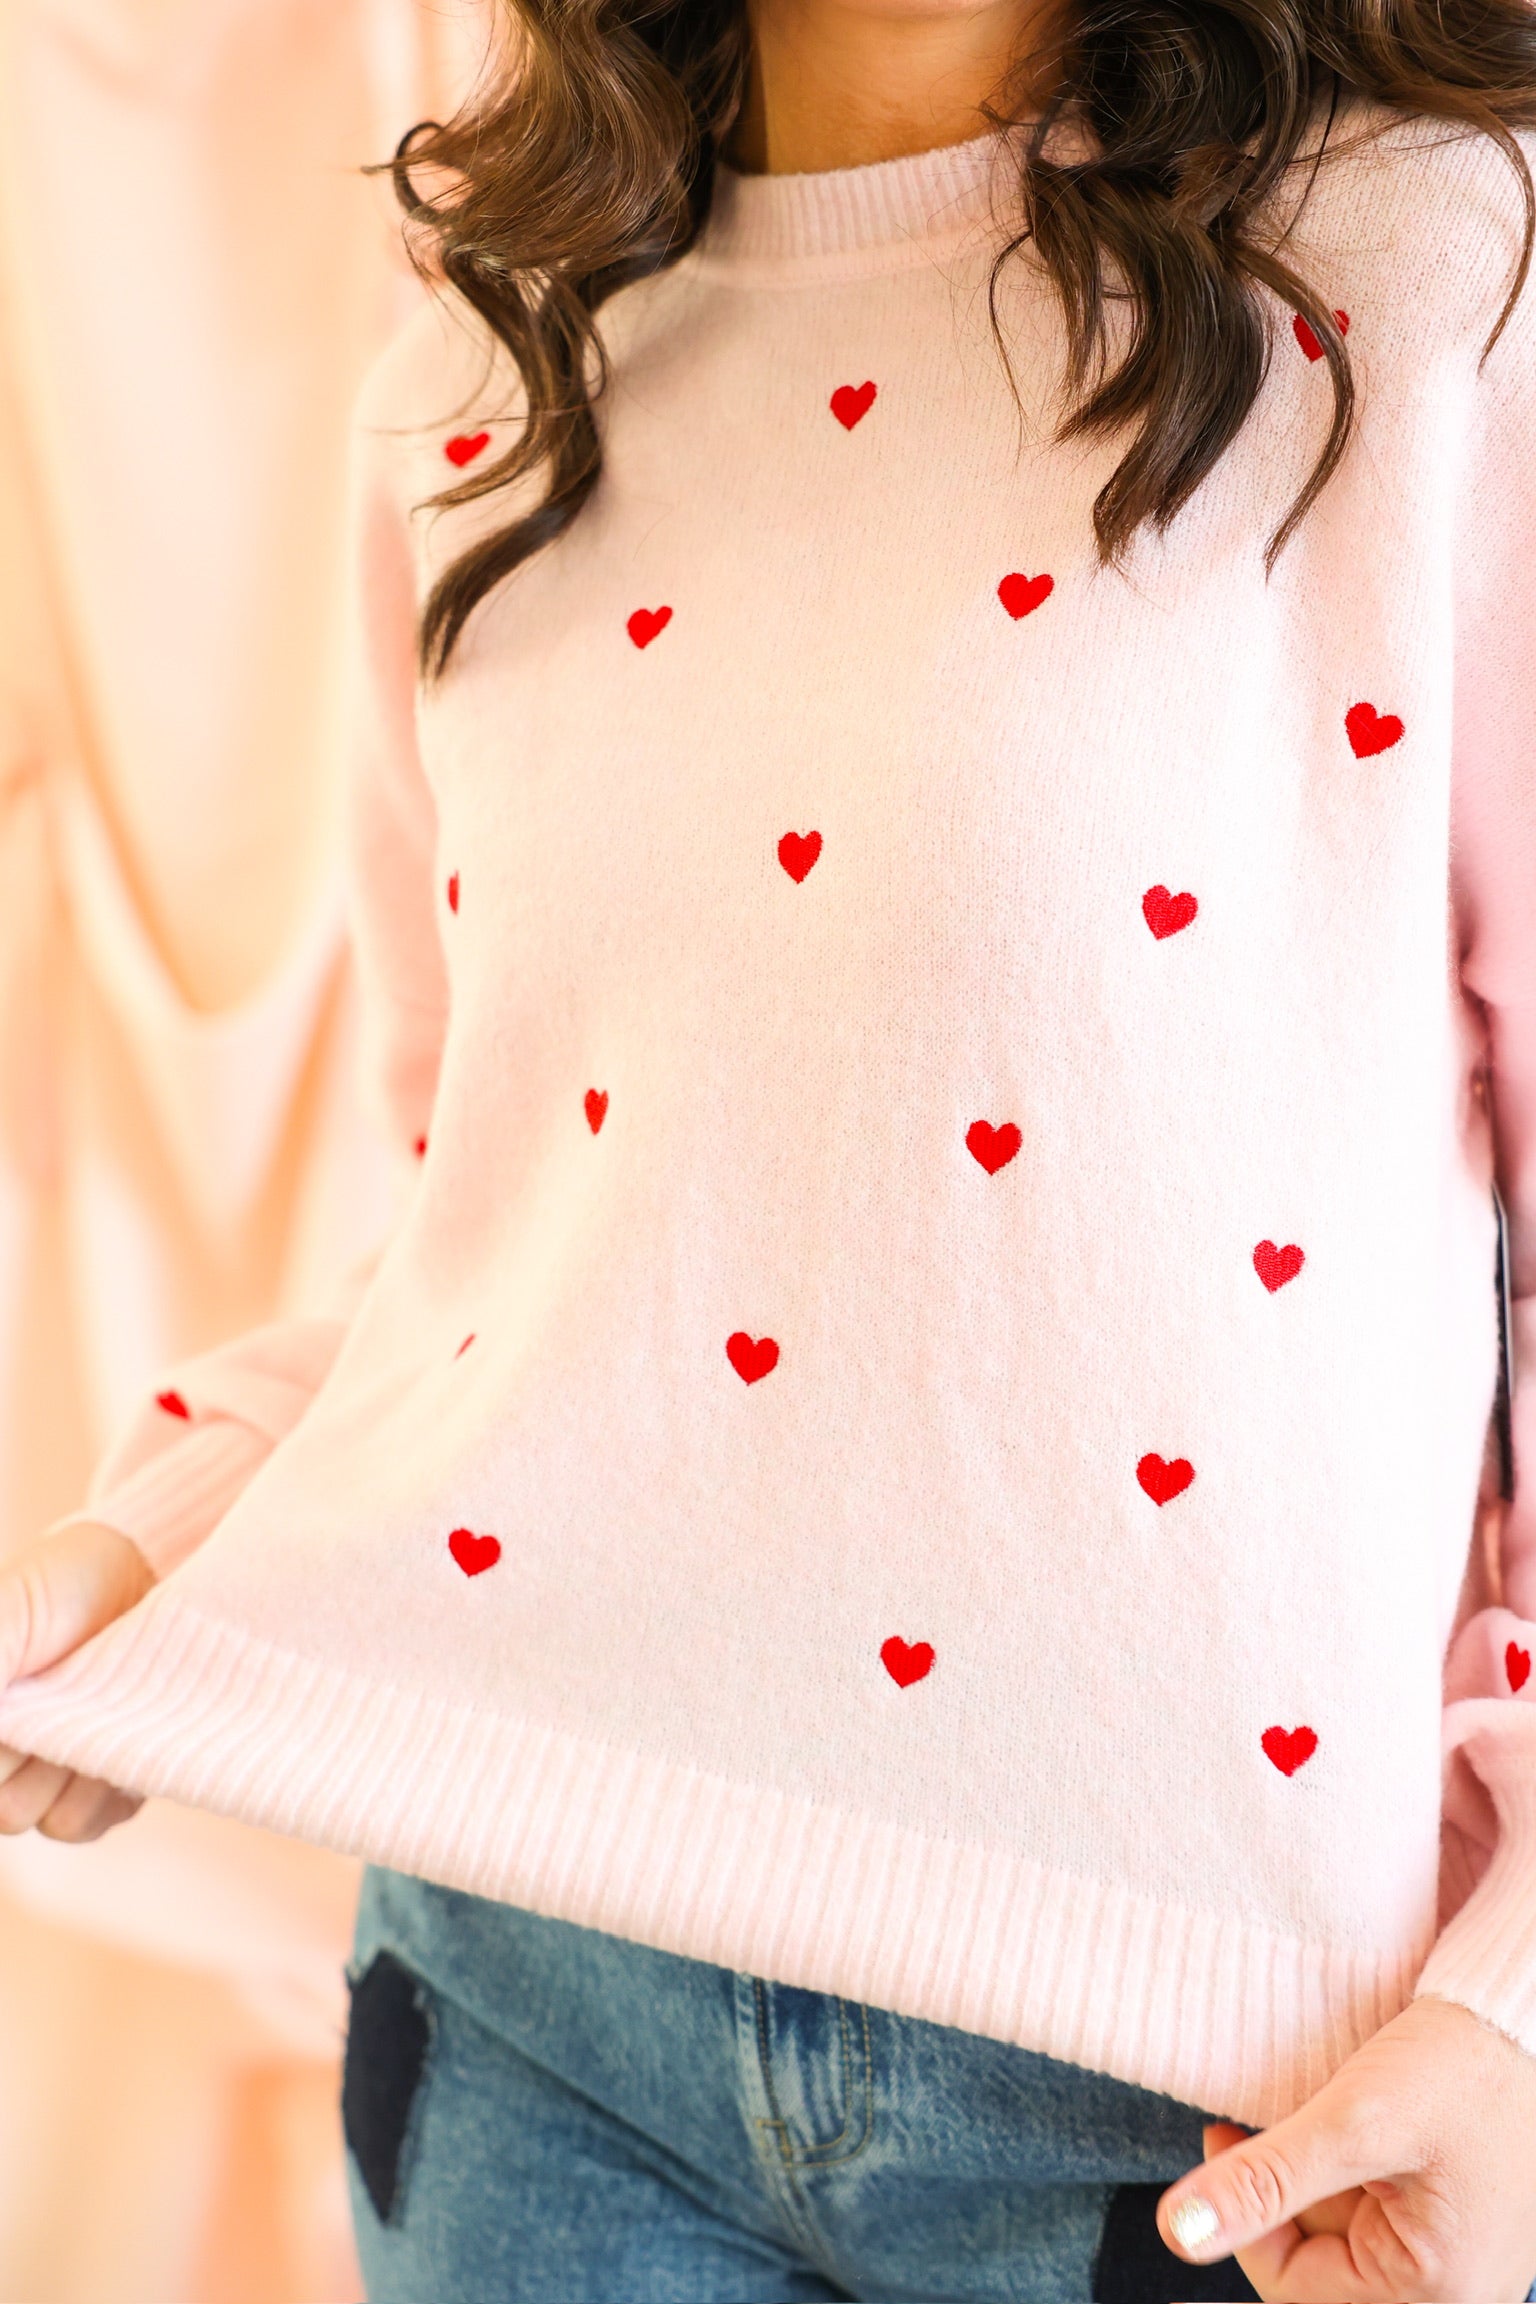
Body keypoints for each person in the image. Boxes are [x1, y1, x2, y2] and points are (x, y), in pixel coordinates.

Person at [2, 0, 1536, 2290]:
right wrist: (169, 1538)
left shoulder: (1434, 278)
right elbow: (512, 1238)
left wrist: (1518, 1996)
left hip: (1234, 2106)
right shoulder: (486, 364)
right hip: (529, 2009)